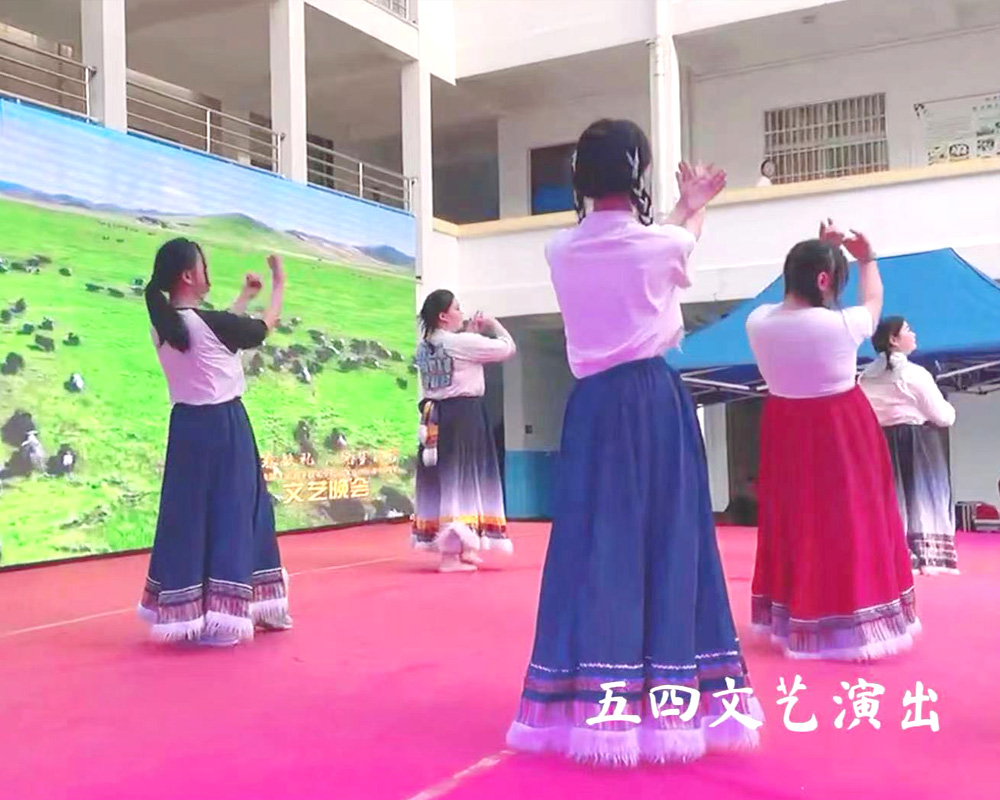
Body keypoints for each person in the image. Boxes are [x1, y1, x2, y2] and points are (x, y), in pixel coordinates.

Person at [507, 119, 761, 767]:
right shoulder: (661, 243)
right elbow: (675, 243)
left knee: (595, 544)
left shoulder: (559, 250)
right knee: (670, 540)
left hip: (592, 408)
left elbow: (650, 245)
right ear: (638, 173)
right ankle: (672, 698)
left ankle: (591, 696)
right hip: (653, 402)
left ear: (579, 178)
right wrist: (692, 205)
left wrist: (682, 211)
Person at [746, 221, 919, 661]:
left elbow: (801, 297)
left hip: (785, 428)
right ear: (824, 280)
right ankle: (857, 618)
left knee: (796, 519)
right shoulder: (841, 325)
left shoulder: (757, 322)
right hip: (842, 429)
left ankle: (797, 617)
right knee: (853, 519)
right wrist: (866, 259)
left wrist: (823, 252)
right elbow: (874, 302)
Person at [137, 238, 290, 646]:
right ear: (188, 275)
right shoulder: (204, 324)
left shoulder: (163, 324)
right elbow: (260, 329)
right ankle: (226, 619)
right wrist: (278, 284)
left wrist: (243, 297)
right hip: (224, 428)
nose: (208, 272)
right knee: (234, 514)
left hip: (187, 429)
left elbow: (213, 335)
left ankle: (199, 613)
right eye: (203, 266)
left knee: (191, 518)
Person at [412, 290, 517, 572]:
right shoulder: (458, 343)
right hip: (463, 417)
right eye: (457, 308)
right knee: (461, 481)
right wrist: (493, 325)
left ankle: (464, 546)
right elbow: (507, 348)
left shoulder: (425, 345)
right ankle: (451, 555)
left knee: (445, 481)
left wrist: (471, 333)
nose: (461, 312)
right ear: (443, 316)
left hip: (436, 417)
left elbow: (456, 363)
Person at [860, 317, 958, 574]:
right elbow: (943, 416)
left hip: (878, 443)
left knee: (887, 500)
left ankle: (894, 557)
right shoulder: (914, 374)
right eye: (908, 330)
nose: (913, 334)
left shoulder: (865, 377)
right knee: (921, 497)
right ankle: (927, 558)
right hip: (916, 443)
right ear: (894, 340)